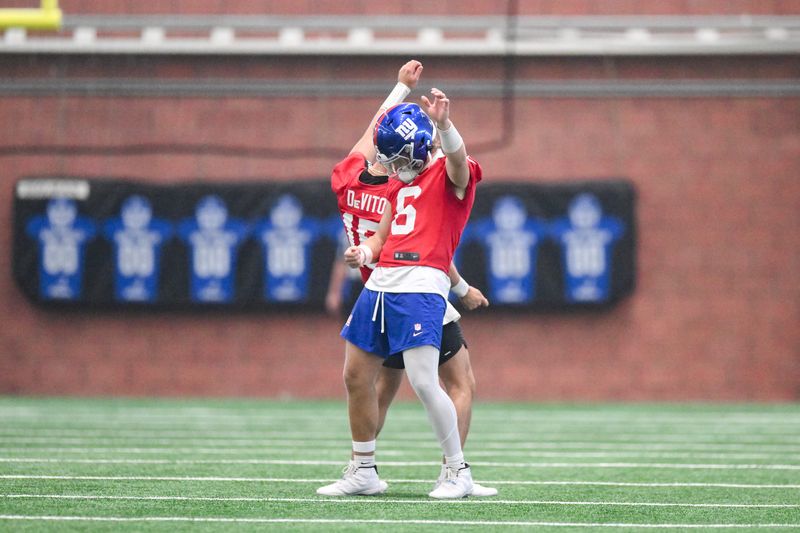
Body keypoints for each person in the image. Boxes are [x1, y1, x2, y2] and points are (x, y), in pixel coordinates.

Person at [322, 66, 496, 495]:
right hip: (380, 281)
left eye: (397, 158)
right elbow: (383, 235)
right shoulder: (398, 185)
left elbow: (453, 163)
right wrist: (363, 253)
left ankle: (456, 470)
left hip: (419, 283)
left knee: (423, 381)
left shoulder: (433, 175)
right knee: (359, 377)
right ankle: (363, 470)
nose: (389, 165)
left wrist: (442, 122)